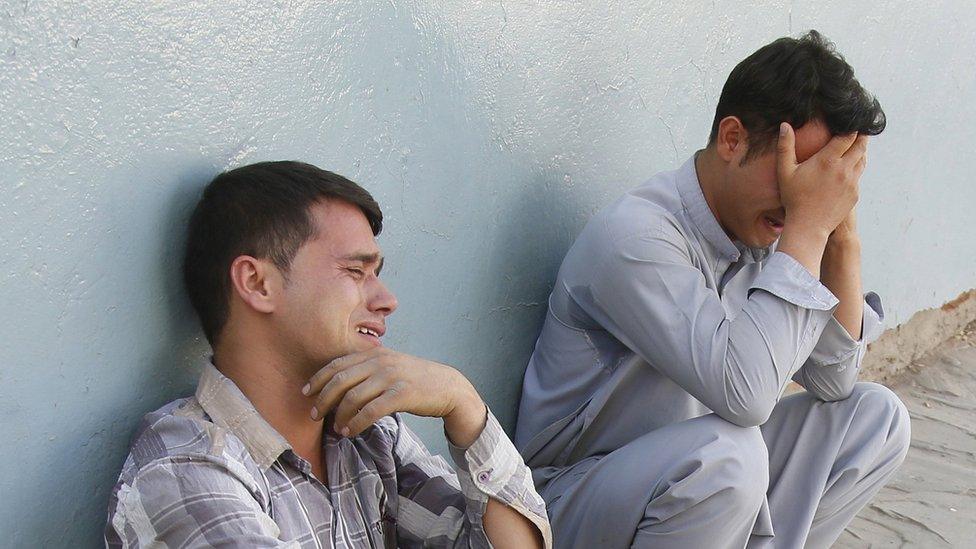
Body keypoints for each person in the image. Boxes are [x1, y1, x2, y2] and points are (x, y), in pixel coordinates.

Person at [515, 30, 910, 549]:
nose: (801, 196)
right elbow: (745, 396)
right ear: (733, 139)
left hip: (698, 491)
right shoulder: (637, 237)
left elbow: (833, 380)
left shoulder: (769, 237)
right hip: (567, 504)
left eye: (818, 181)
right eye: (794, 170)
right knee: (729, 456)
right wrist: (809, 228)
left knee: (876, 419)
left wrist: (842, 240)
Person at [105, 161, 550, 548]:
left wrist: (463, 404)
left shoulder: (370, 436)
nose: (386, 299)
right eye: (355, 271)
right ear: (258, 284)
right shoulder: (185, 465)